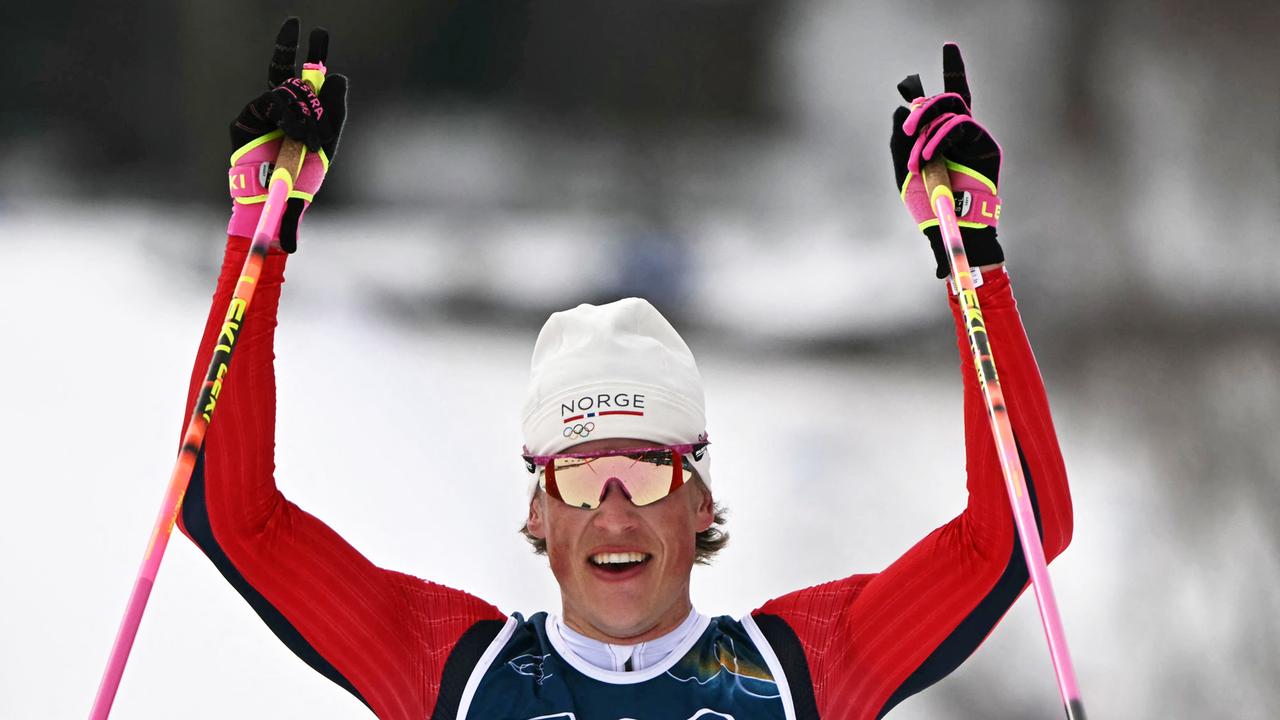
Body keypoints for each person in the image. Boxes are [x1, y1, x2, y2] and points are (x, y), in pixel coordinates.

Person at [178, 19, 1073, 720]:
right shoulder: (453, 674)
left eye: (646, 469)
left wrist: (974, 259)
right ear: (537, 504)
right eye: (580, 471)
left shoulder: (801, 672)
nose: (613, 508)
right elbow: (228, 513)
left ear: (699, 499)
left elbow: (1016, 531)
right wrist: (258, 237)